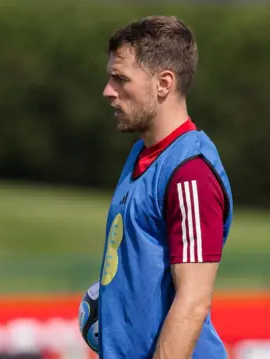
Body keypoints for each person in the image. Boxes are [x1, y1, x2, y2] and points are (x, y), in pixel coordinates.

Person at [97, 15, 233, 358]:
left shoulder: (191, 172)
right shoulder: (141, 154)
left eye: (120, 79)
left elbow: (193, 302)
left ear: (163, 83)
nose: (108, 91)